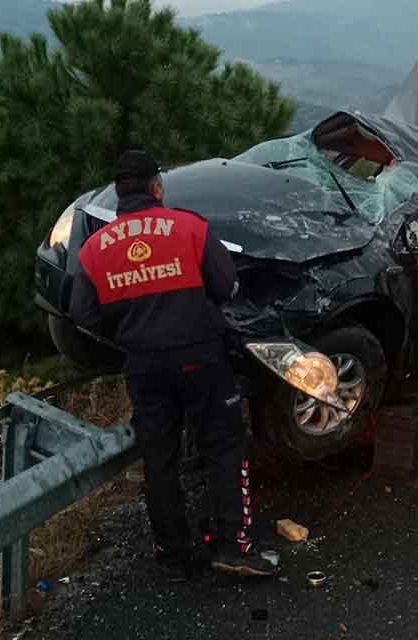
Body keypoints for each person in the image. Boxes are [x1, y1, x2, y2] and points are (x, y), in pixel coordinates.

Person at [70, 150, 277, 579]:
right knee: (224, 445)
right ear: (156, 187)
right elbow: (227, 286)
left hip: (144, 365)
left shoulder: (94, 248)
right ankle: (233, 547)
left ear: (118, 193)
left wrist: (129, 332)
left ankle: (173, 552)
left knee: (159, 456)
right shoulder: (189, 227)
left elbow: (83, 315)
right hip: (201, 356)